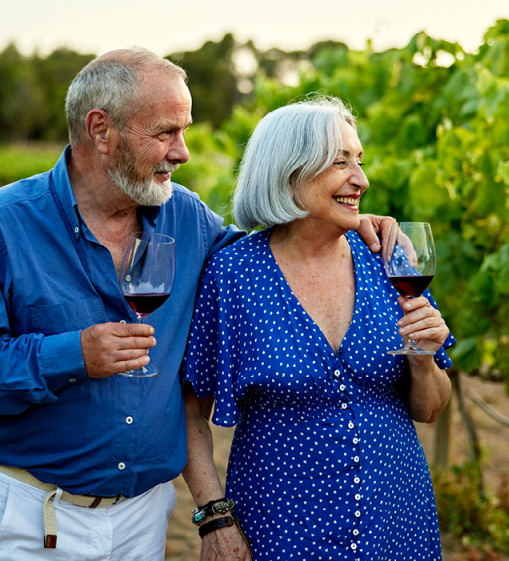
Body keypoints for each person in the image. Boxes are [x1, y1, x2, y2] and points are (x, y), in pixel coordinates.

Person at [0, 49, 394, 561]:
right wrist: (71, 355)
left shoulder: (188, 218)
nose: (183, 152)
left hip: (143, 518)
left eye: (185, 131)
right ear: (101, 130)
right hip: (29, 513)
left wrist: (344, 227)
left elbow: (269, 260)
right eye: (167, 133)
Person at [180, 96, 454, 560]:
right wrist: (214, 520)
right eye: (339, 162)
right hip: (281, 525)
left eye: (360, 161)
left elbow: (430, 410)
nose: (361, 180)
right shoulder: (233, 275)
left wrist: (425, 363)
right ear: (289, 173)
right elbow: (190, 414)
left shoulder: (388, 259)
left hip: (396, 520)